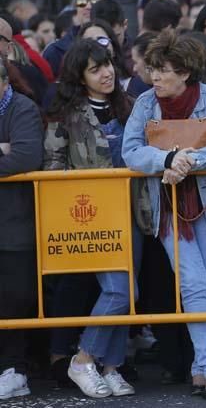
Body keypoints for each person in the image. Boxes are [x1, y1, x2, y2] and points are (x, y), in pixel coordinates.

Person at [122, 30, 206, 399]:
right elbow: (130, 152)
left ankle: (203, 366)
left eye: (163, 70)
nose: (155, 77)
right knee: (192, 282)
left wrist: (190, 162)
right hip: (166, 209)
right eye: (153, 70)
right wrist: (167, 160)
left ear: (185, 73)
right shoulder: (144, 104)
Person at [43, 39, 137, 398]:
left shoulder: (129, 106)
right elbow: (52, 165)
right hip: (93, 214)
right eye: (96, 68)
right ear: (80, 77)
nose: (107, 72)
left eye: (109, 64)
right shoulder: (65, 115)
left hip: (132, 210)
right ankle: (83, 359)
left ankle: (111, 368)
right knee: (117, 289)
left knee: (130, 292)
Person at [0, 60, 43, 401]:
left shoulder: (23, 108)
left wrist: (10, 152)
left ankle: (15, 371)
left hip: (15, 223)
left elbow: (26, 157)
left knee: (15, 298)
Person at [43, 0, 109, 78]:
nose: (88, 6)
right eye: (82, 2)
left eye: (95, 1)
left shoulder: (125, 45)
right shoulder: (56, 51)